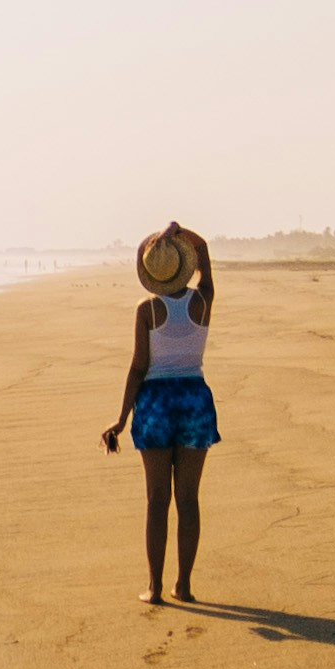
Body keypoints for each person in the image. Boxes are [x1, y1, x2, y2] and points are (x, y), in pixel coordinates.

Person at [105, 222, 219, 605]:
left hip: (155, 402)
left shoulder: (148, 310)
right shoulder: (202, 301)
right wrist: (179, 232)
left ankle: (154, 588)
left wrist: (121, 419)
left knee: (157, 499)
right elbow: (203, 253)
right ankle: (183, 585)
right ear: (182, 265)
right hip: (194, 400)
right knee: (188, 499)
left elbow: (139, 366)